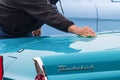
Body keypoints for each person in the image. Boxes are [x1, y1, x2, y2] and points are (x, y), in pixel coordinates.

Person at [0, 0, 96, 39]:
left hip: (18, 30)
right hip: (3, 30)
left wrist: (37, 22)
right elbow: (48, 11)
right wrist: (76, 29)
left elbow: (47, 5)